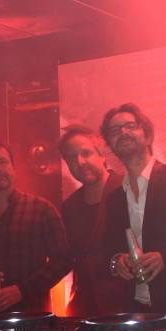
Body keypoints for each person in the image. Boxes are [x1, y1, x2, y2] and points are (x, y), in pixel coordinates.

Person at [101, 103, 166, 318]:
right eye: (115, 131)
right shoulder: (113, 198)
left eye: (130, 126)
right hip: (135, 310)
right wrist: (117, 261)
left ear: (147, 136)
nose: (123, 132)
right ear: (110, 146)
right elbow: (109, 250)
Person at [0, 138, 71, 313]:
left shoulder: (42, 209)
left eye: (2, 162)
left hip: (31, 319)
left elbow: (64, 260)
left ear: (13, 167)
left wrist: (22, 290)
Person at [59, 125, 127, 316]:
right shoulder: (69, 207)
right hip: (85, 309)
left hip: (128, 306)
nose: (80, 162)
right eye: (71, 158)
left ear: (102, 155)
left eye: (86, 153)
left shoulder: (127, 189)